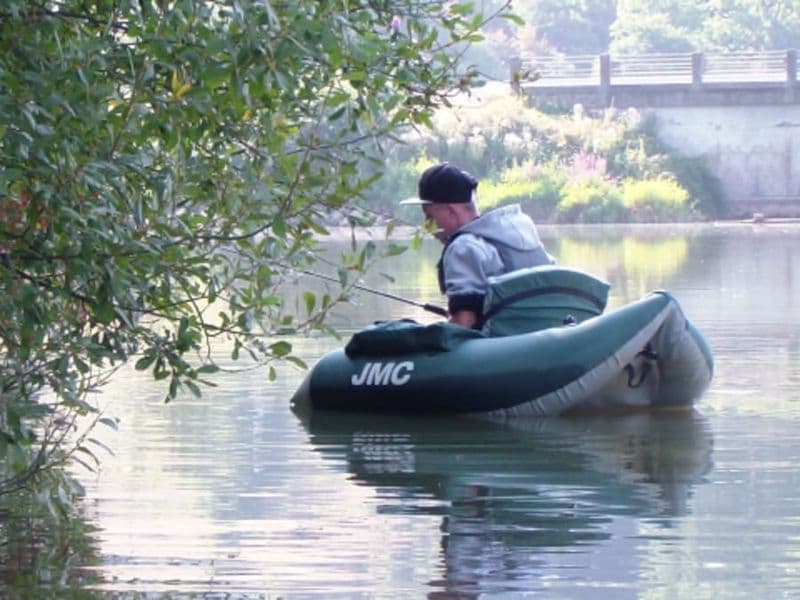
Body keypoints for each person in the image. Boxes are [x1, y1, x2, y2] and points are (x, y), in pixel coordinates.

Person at [400, 162, 554, 329]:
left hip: (505, 343)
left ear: (451, 212)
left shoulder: (462, 247)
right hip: (542, 331)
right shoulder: (520, 232)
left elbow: (464, 323)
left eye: (429, 217)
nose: (427, 226)